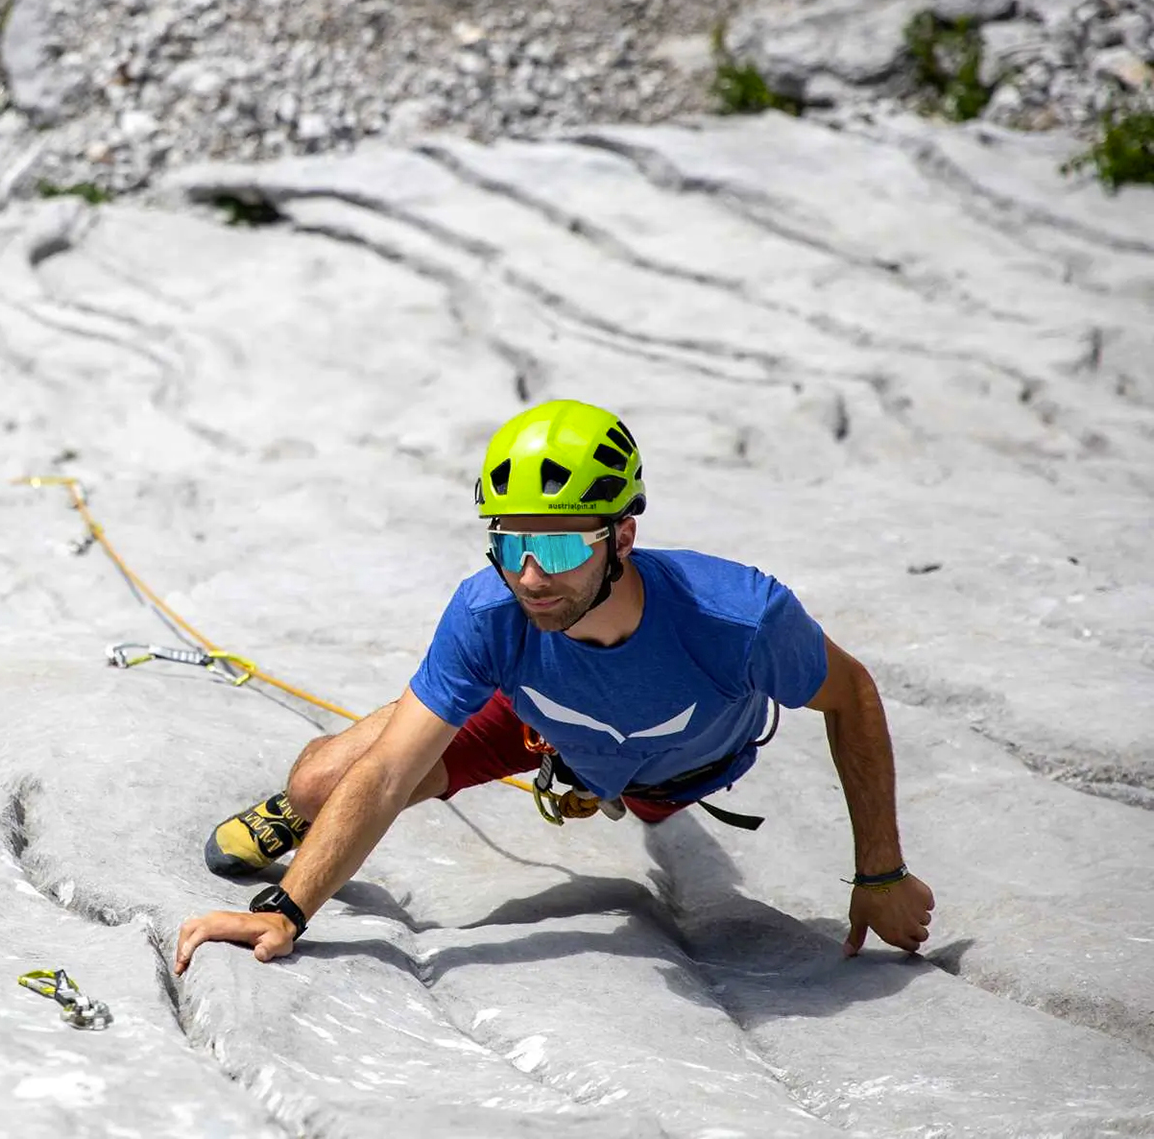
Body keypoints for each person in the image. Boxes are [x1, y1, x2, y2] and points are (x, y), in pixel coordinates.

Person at [175, 399, 935, 975]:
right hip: (539, 717)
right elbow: (386, 771)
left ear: (622, 536)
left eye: (562, 541)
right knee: (322, 784)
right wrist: (286, 911)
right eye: (512, 542)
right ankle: (296, 812)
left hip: (676, 772)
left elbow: (852, 694)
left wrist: (881, 870)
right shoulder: (492, 609)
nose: (531, 575)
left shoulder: (739, 618)